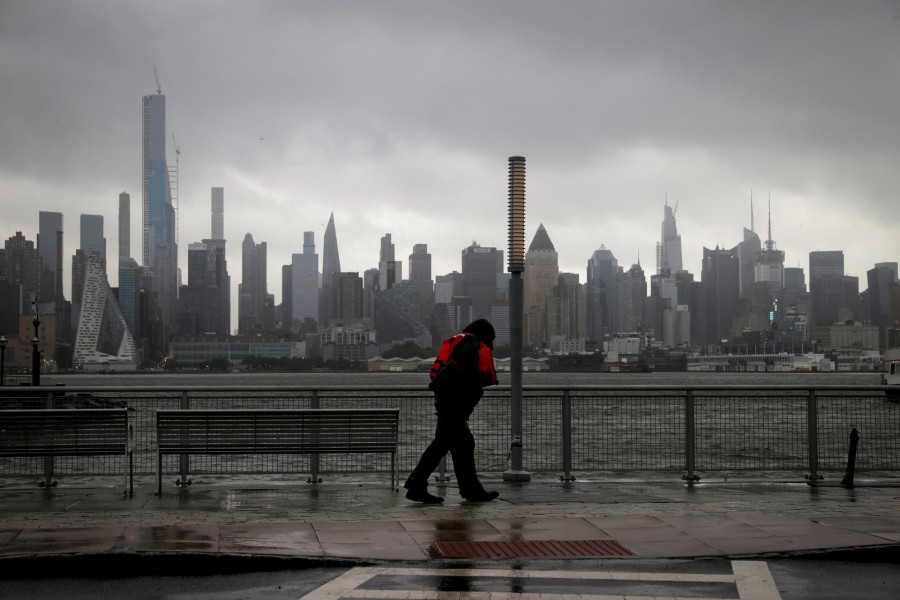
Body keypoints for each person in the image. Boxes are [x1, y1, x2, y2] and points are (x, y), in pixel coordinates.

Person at [404, 318, 500, 503]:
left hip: (447, 403)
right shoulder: (471, 344)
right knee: (447, 445)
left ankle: (469, 490)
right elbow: (460, 372)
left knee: (458, 445)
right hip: (454, 406)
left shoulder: (462, 342)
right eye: (491, 339)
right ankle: (418, 485)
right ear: (484, 335)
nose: (492, 345)